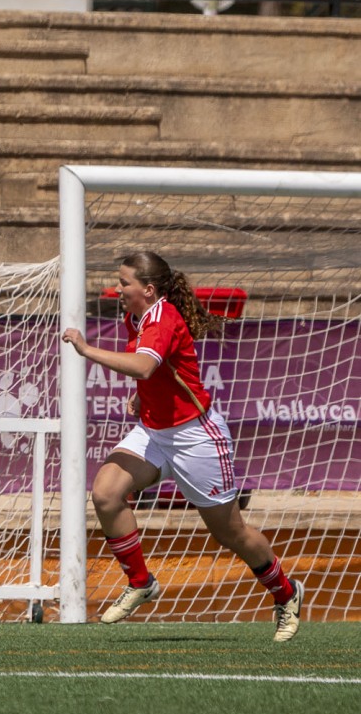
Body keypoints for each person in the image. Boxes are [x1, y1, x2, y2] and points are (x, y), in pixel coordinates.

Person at [62, 250, 303, 642]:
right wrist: (144, 396)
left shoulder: (163, 317)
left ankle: (286, 594)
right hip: (155, 433)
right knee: (106, 494)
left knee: (231, 534)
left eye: (124, 282)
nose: (117, 289)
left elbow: (144, 365)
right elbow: (159, 370)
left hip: (196, 438)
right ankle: (141, 582)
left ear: (148, 289)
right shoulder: (135, 316)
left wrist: (87, 350)